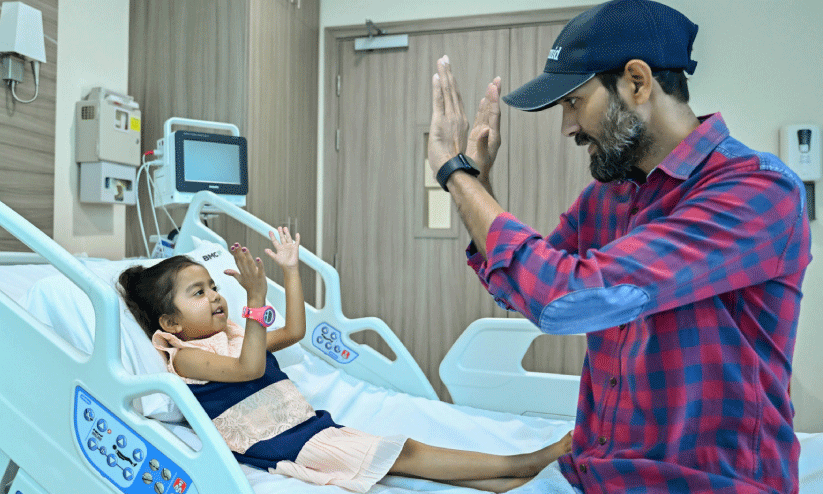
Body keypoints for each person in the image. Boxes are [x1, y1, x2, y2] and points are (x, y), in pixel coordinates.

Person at [426, 0, 812, 493]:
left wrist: (454, 174)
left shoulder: (756, 191)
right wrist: (478, 183)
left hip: (705, 482)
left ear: (636, 82)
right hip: (597, 472)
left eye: (574, 102)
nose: (567, 127)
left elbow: (562, 299)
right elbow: (522, 288)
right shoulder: (607, 199)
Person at [118, 226, 572, 493]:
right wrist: (254, 299)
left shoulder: (235, 335)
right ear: (170, 322)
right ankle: (523, 463)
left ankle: (512, 481)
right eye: (199, 293)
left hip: (308, 428)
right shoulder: (186, 359)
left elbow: (294, 332)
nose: (217, 296)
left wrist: (290, 271)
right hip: (287, 446)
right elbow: (249, 369)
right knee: (406, 452)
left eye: (215, 287)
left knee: (403, 461)